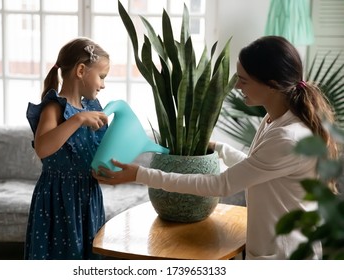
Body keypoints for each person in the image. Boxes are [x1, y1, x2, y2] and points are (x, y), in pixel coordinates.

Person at [93, 36, 338, 260]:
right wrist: (218, 147)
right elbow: (255, 167)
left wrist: (139, 174)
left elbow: (218, 185)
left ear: (272, 85)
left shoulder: (288, 138)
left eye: (243, 80)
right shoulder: (274, 119)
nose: (237, 87)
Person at [25, 37, 110, 260]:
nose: (103, 84)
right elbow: (43, 148)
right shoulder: (54, 107)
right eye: (101, 77)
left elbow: (98, 155)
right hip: (57, 200)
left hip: (88, 198)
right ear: (81, 70)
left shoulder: (92, 108)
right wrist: (78, 120)